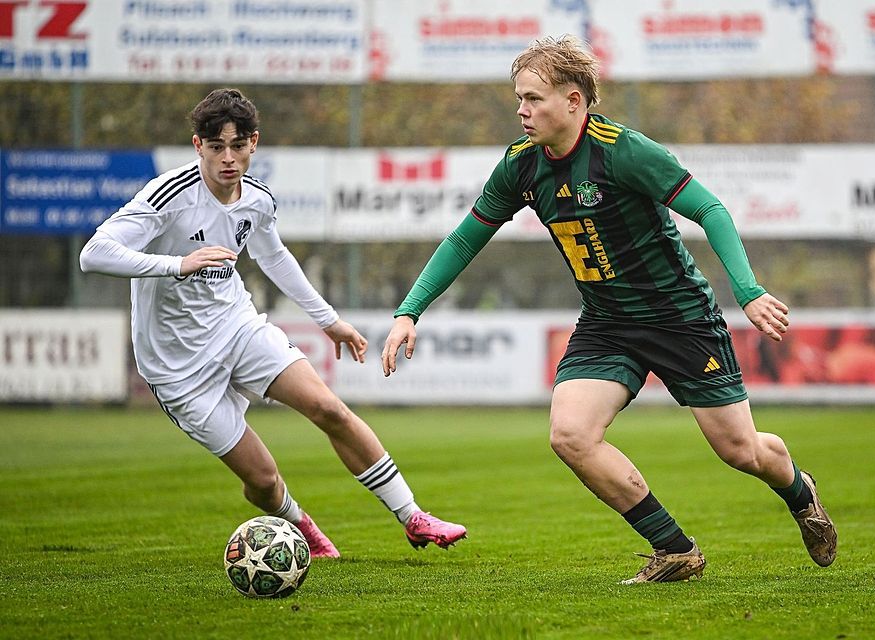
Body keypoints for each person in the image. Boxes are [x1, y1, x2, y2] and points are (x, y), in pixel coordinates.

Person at [381, 36, 835, 583]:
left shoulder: (623, 151)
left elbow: (710, 209)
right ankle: (675, 550)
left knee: (741, 450)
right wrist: (411, 310)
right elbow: (464, 240)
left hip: (678, 316)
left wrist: (749, 291)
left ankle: (797, 488)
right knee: (570, 435)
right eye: (518, 99)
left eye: (534, 99)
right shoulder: (520, 166)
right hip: (607, 322)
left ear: (574, 101)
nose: (522, 111)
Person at [80, 88, 466, 559]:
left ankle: (413, 517)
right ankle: (299, 523)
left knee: (330, 409)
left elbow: (274, 256)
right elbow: (93, 254)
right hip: (176, 367)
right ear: (197, 145)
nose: (228, 158)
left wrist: (330, 321)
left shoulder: (258, 199)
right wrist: (177, 264)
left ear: (254, 143)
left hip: (237, 328)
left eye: (238, 146)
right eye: (216, 147)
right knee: (262, 481)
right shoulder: (170, 196)